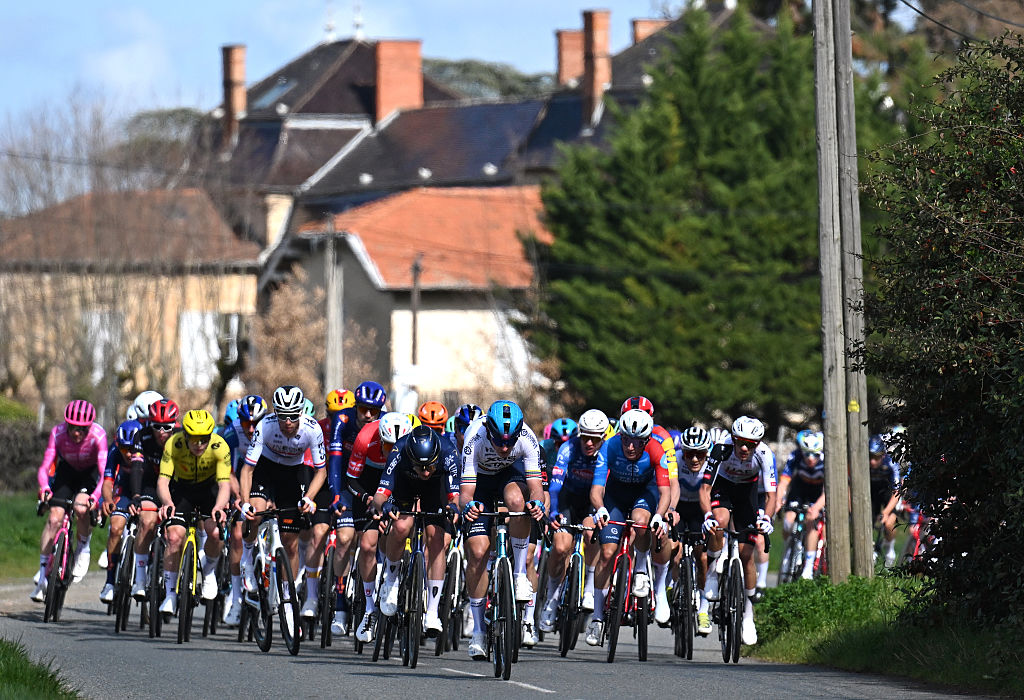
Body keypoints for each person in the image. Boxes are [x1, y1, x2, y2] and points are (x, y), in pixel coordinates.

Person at [459, 400, 546, 660]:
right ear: (488, 430)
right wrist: (469, 507)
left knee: (519, 503)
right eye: (499, 441)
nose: (505, 447)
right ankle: (477, 631)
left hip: (511, 476)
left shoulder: (527, 438)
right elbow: (465, 494)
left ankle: (519, 574)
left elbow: (536, 486)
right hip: (481, 482)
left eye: (510, 442)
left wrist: (538, 503)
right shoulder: (474, 436)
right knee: (477, 553)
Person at [239, 385, 327, 631]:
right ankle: (248, 559)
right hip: (265, 469)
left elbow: (321, 471)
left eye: (293, 415)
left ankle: (288, 601)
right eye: (282, 415)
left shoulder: (312, 429)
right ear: (275, 413)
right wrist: (245, 502)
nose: (288, 422)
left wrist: (309, 498)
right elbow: (247, 469)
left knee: (290, 540)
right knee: (255, 512)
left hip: (293, 473)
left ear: (301, 412)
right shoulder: (265, 426)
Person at [586, 409, 671, 646]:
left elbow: (665, 492)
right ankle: (597, 618)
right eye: (626, 439)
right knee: (606, 553)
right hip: (615, 496)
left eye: (637, 441)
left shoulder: (656, 449)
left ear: (646, 440)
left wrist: (660, 516)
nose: (630, 446)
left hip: (644, 494)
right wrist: (601, 509)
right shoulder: (610, 447)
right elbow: (596, 489)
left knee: (642, 522)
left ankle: (641, 570)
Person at [373, 425, 460, 635]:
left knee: (436, 537)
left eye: (430, 466)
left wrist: (454, 507)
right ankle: (391, 582)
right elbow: (380, 495)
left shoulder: (449, 452)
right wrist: (384, 505)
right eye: (421, 468)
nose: (426, 471)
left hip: (435, 488)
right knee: (402, 526)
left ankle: (432, 612)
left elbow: (455, 495)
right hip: (405, 485)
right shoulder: (399, 450)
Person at [699, 415, 777, 646]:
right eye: (740, 442)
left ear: (758, 444)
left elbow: (772, 495)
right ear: (732, 438)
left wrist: (767, 517)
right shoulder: (721, 449)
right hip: (723, 487)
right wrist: (707, 516)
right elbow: (705, 489)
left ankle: (748, 617)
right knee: (719, 521)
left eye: (750, 444)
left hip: (747, 494)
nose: (744, 448)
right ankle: (713, 572)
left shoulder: (764, 454)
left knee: (746, 556)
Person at [347, 412, 415, 641]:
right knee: (367, 545)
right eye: (387, 446)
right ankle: (368, 609)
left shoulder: (411, 443)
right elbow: (351, 479)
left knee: (396, 531)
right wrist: (368, 499)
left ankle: (390, 576)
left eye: (396, 446)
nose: (391, 452)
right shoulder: (365, 437)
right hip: (368, 480)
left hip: (400, 480)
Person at [538, 408, 608, 632]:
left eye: (594, 439)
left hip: (592, 502)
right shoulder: (569, 448)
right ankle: (552, 597)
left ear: (602, 438)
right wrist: (554, 512)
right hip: (568, 500)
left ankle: (589, 586)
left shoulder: (607, 451)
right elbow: (556, 485)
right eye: (585, 437)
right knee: (560, 547)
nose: (588, 443)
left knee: (592, 533)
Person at [155, 410, 231, 614]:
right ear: (185, 435)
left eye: (203, 439)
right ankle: (170, 594)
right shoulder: (174, 444)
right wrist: (167, 502)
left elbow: (224, 485)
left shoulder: (219, 446)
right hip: (182, 491)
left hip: (209, 490)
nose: (199, 445)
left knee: (215, 532)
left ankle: (208, 572)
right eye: (194, 439)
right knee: (173, 537)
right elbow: (163, 480)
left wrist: (219, 507)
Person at [32, 400, 106, 601]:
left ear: (89, 427)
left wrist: (96, 498)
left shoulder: (99, 436)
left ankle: (83, 547)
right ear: (67, 424)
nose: (76, 433)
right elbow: (45, 466)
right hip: (67, 471)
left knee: (81, 508)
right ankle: (43, 570)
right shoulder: (57, 433)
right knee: (54, 517)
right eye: (72, 427)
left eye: (82, 429)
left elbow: (104, 473)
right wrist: (45, 488)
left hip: (89, 474)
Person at [617, 396, 680, 625]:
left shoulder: (662, 437)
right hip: (623, 486)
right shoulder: (617, 433)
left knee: (658, 532)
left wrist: (670, 509)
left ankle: (659, 587)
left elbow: (672, 481)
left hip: (653, 488)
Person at [221, 395, 267, 625]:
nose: (250, 429)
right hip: (239, 477)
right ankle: (236, 596)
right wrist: (239, 497)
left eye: (255, 423)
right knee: (238, 533)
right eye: (246, 423)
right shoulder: (232, 432)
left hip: (264, 477)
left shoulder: (269, 429)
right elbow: (227, 471)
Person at [128, 398, 180, 600]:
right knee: (146, 520)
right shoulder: (142, 437)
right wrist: (136, 496)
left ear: (174, 425)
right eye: (156, 426)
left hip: (175, 485)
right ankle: (140, 580)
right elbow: (136, 468)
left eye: (166, 427)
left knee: (175, 531)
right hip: (150, 482)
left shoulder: (181, 438)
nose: (161, 432)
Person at [98, 419, 145, 602]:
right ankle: (110, 582)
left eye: (131, 449)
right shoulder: (114, 450)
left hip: (146, 486)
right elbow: (108, 481)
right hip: (125, 488)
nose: (127, 454)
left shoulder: (146, 448)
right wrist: (108, 500)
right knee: (116, 527)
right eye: (123, 449)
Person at [673, 426, 714, 634]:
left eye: (700, 454)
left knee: (703, 558)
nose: (695, 459)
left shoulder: (713, 464)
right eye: (690, 454)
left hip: (699, 509)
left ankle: (704, 609)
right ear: (683, 452)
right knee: (674, 550)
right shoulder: (675, 458)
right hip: (678, 506)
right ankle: (673, 586)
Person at [776, 430, 826, 581]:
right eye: (807, 454)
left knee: (811, 522)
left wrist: (816, 508)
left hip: (818, 492)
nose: (811, 459)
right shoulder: (795, 456)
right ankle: (788, 549)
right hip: (800, 489)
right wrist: (779, 500)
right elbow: (784, 481)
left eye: (815, 455)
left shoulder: (826, 461)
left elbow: (827, 491)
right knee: (788, 520)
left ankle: (809, 567)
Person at [869, 434, 901, 568]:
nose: (872, 462)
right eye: (870, 457)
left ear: (883, 455)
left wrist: (886, 512)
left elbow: (897, 492)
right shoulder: (862, 463)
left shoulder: (891, 463)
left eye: (876, 458)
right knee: (867, 521)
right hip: (871, 492)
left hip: (889, 493)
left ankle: (890, 550)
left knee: (889, 524)